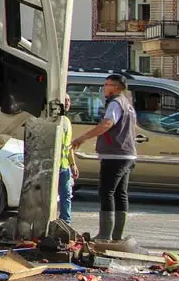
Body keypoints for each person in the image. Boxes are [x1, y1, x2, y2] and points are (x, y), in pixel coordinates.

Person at [71, 74, 138, 243]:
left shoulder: (116, 103)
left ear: (115, 87)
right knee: (120, 193)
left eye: (107, 84)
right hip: (127, 154)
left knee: (106, 192)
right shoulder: (127, 104)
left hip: (115, 155)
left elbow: (107, 124)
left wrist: (83, 137)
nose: (104, 88)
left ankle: (105, 234)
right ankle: (117, 236)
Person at [56, 95, 78, 223]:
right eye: (65, 100)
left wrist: (73, 164)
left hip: (64, 166)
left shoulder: (67, 121)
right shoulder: (56, 121)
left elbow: (68, 145)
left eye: (69, 100)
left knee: (66, 195)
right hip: (54, 166)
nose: (68, 103)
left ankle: (65, 221)